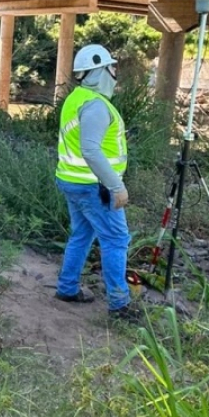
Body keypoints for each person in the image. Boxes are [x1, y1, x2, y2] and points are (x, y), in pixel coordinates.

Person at [54, 43, 139, 322]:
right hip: (94, 187)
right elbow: (90, 148)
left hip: (72, 181)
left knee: (82, 235)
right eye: (111, 67)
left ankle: (67, 288)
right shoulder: (96, 106)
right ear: (99, 71)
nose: (115, 72)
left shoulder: (76, 98)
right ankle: (120, 304)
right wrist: (116, 185)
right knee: (116, 239)